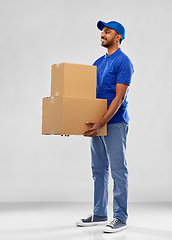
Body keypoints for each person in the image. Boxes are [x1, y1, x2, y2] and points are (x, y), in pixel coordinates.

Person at [76, 20, 134, 233]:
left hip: (115, 123)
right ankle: (100, 213)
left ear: (118, 36)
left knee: (118, 171)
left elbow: (119, 98)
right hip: (96, 124)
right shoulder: (97, 63)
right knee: (98, 170)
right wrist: (70, 123)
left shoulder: (123, 62)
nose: (103, 34)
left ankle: (120, 217)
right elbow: (86, 96)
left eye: (107, 32)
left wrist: (103, 121)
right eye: (102, 32)